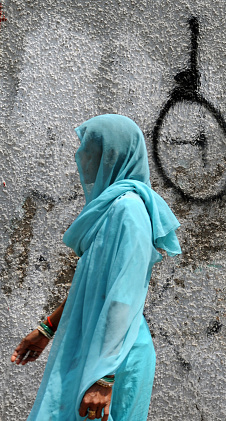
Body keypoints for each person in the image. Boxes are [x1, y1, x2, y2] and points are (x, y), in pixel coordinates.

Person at [11, 114, 182, 420]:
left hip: (115, 358)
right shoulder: (112, 208)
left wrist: (104, 375)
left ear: (112, 156)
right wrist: (48, 328)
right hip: (94, 345)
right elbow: (92, 286)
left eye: (91, 150)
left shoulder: (129, 210)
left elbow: (123, 295)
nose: (82, 159)